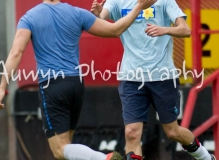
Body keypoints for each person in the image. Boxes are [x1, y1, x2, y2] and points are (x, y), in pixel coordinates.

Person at [0, 0, 157, 160]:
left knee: (60, 150)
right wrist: (138, 7)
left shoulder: (29, 17)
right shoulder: (77, 13)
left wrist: (1, 89)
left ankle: (103, 158)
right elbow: (115, 30)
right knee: (67, 150)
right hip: (76, 85)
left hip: (52, 86)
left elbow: (15, 53)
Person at [91, 0, 216, 160]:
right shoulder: (116, 1)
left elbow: (186, 30)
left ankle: (205, 157)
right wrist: (97, 15)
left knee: (173, 132)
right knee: (131, 133)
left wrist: (165, 30)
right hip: (131, 78)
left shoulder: (164, 1)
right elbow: (100, 20)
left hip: (163, 77)